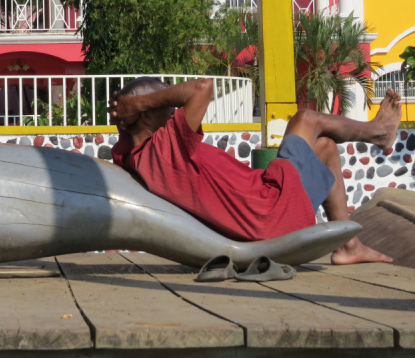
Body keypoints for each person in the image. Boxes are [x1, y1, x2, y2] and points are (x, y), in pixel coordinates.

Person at [108, 77, 399, 265]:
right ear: (145, 113)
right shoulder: (163, 148)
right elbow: (202, 88)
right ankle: (378, 133)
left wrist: (126, 111)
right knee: (306, 118)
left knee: (324, 148)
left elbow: (124, 140)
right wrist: (135, 102)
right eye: (165, 106)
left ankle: (350, 246)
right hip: (271, 208)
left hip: (270, 210)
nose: (173, 112)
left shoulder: (136, 156)